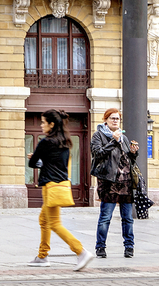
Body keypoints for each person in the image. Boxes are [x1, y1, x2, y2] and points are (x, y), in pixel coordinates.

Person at [28, 109, 94, 270]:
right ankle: (42, 256)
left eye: (44, 122)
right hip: (61, 185)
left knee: (55, 223)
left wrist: (35, 159)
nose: (42, 125)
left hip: (50, 187)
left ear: (51, 124)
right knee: (44, 220)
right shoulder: (66, 142)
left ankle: (80, 251)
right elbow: (59, 165)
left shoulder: (45, 142)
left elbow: (33, 164)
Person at [91, 107, 138, 258]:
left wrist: (133, 152)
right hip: (109, 182)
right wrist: (113, 141)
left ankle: (129, 247)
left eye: (117, 118)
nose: (115, 121)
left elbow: (127, 160)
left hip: (125, 183)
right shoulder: (98, 135)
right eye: (112, 118)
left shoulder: (123, 137)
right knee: (105, 217)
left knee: (128, 218)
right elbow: (97, 154)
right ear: (105, 120)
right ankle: (100, 247)